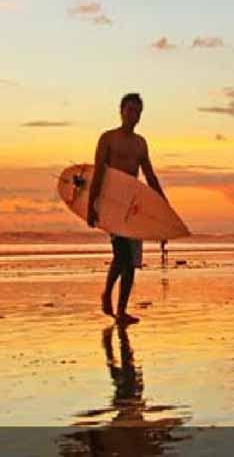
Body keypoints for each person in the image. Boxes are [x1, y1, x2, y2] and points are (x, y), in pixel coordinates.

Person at [88, 93, 166, 326]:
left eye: (138, 112)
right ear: (121, 111)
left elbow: (150, 176)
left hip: (133, 206)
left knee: (131, 262)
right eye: (130, 110)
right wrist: (92, 205)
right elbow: (98, 173)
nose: (134, 115)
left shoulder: (140, 143)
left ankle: (121, 311)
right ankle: (107, 294)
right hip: (112, 204)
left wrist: (164, 207)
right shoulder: (108, 139)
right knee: (122, 255)